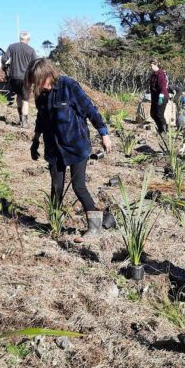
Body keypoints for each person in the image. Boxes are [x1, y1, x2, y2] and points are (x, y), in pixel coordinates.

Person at [27, 58, 112, 237]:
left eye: (39, 80)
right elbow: (40, 119)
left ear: (48, 75)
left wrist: (104, 134)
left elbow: (90, 110)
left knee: (78, 186)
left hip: (76, 145)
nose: (37, 85)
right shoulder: (40, 94)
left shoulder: (68, 86)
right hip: (54, 148)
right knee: (56, 187)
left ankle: (95, 227)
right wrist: (35, 140)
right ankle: (55, 225)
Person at [2, 31, 37, 127]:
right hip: (26, 78)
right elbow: (35, 65)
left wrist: (4, 67)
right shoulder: (31, 50)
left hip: (14, 77)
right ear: (28, 39)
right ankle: (24, 123)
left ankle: (20, 119)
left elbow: (4, 59)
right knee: (25, 99)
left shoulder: (11, 47)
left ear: (20, 38)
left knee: (18, 96)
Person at [148, 59, 169, 134]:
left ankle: (164, 129)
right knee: (153, 113)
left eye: (151, 65)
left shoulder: (160, 74)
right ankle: (160, 128)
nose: (150, 67)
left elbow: (163, 86)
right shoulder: (153, 75)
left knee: (159, 114)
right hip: (155, 97)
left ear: (155, 64)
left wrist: (161, 96)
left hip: (162, 97)